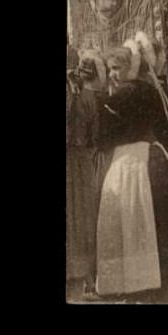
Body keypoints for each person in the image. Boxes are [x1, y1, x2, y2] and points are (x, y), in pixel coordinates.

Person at [94, 36, 168, 301]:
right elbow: (167, 131)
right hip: (156, 160)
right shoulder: (152, 91)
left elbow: (104, 137)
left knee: (136, 222)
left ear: (131, 66)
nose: (113, 75)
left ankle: (139, 283)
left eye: (117, 68)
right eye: (110, 70)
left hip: (131, 164)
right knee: (159, 223)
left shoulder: (120, 97)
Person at [66, 49, 106, 297]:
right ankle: (86, 278)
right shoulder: (87, 95)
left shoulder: (82, 95)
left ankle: (84, 277)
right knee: (82, 217)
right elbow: (94, 135)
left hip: (78, 160)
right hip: (81, 161)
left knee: (79, 217)